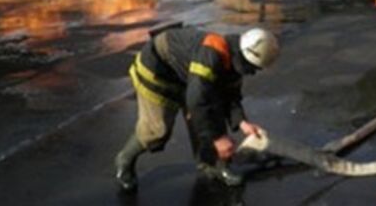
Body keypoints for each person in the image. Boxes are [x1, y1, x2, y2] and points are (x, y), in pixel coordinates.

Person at [114, 24, 280, 191]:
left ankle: (211, 165)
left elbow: (230, 96)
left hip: (187, 74)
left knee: (208, 115)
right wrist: (218, 139)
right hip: (159, 68)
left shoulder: (236, 60)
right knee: (157, 130)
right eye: (254, 68)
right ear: (246, 58)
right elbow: (198, 101)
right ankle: (124, 160)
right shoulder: (213, 54)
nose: (253, 73)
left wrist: (243, 122)